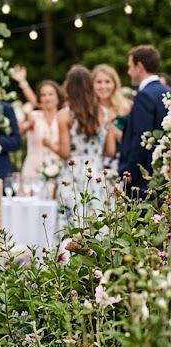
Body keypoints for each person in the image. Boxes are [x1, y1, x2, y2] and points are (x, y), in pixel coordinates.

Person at [51, 65, 115, 227]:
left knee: (72, 225)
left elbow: (65, 151)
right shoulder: (104, 113)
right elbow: (110, 151)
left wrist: (50, 145)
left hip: (73, 174)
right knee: (97, 222)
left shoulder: (64, 115)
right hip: (97, 174)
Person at [119, 45, 169, 198]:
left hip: (143, 178)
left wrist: (130, 173)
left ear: (139, 66)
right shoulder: (167, 92)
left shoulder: (144, 96)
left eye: (130, 67)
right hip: (164, 175)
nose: (129, 72)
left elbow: (141, 137)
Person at [18, 78, 63, 190]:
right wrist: (27, 125)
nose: (47, 98)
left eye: (51, 94)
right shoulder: (33, 116)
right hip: (33, 168)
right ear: (39, 99)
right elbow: (19, 131)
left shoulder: (63, 118)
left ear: (58, 97)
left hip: (57, 168)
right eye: (43, 95)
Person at [92, 64, 126, 183]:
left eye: (107, 81)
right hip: (95, 164)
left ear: (115, 84)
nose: (103, 86)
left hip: (121, 164)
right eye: (99, 82)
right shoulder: (89, 110)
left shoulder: (125, 108)